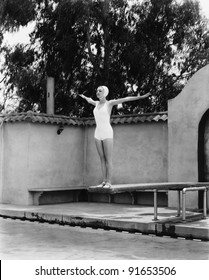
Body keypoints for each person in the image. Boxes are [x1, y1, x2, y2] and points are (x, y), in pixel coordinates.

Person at [80, 86, 150, 189]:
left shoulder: (109, 103)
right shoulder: (96, 103)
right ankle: (104, 181)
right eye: (97, 90)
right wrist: (83, 96)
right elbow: (89, 100)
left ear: (105, 93)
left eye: (100, 91)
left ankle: (109, 182)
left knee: (108, 159)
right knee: (102, 158)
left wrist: (141, 97)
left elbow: (126, 99)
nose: (97, 92)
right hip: (97, 133)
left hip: (107, 133)